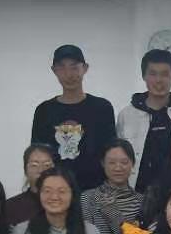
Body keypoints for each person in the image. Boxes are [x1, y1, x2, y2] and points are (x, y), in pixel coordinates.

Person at [30, 44, 117, 191]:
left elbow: (111, 153)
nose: (68, 74)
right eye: (62, 67)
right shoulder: (44, 111)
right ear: (54, 71)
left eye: (74, 67)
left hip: (95, 192)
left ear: (85, 68)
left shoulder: (102, 108)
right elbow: (37, 156)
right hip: (56, 192)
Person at [115, 48, 171, 196]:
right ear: (144, 76)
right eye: (153, 74)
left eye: (165, 74)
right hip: (135, 194)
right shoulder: (127, 115)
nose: (159, 80)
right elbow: (118, 156)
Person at [80, 139, 144, 234]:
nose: (118, 168)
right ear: (103, 163)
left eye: (124, 162)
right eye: (111, 162)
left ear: (133, 163)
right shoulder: (88, 198)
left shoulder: (142, 202)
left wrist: (111, 211)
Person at [5, 144, 56, 226]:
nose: (41, 170)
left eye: (47, 165)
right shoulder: (10, 207)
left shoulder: (63, 203)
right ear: (25, 171)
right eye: (34, 165)